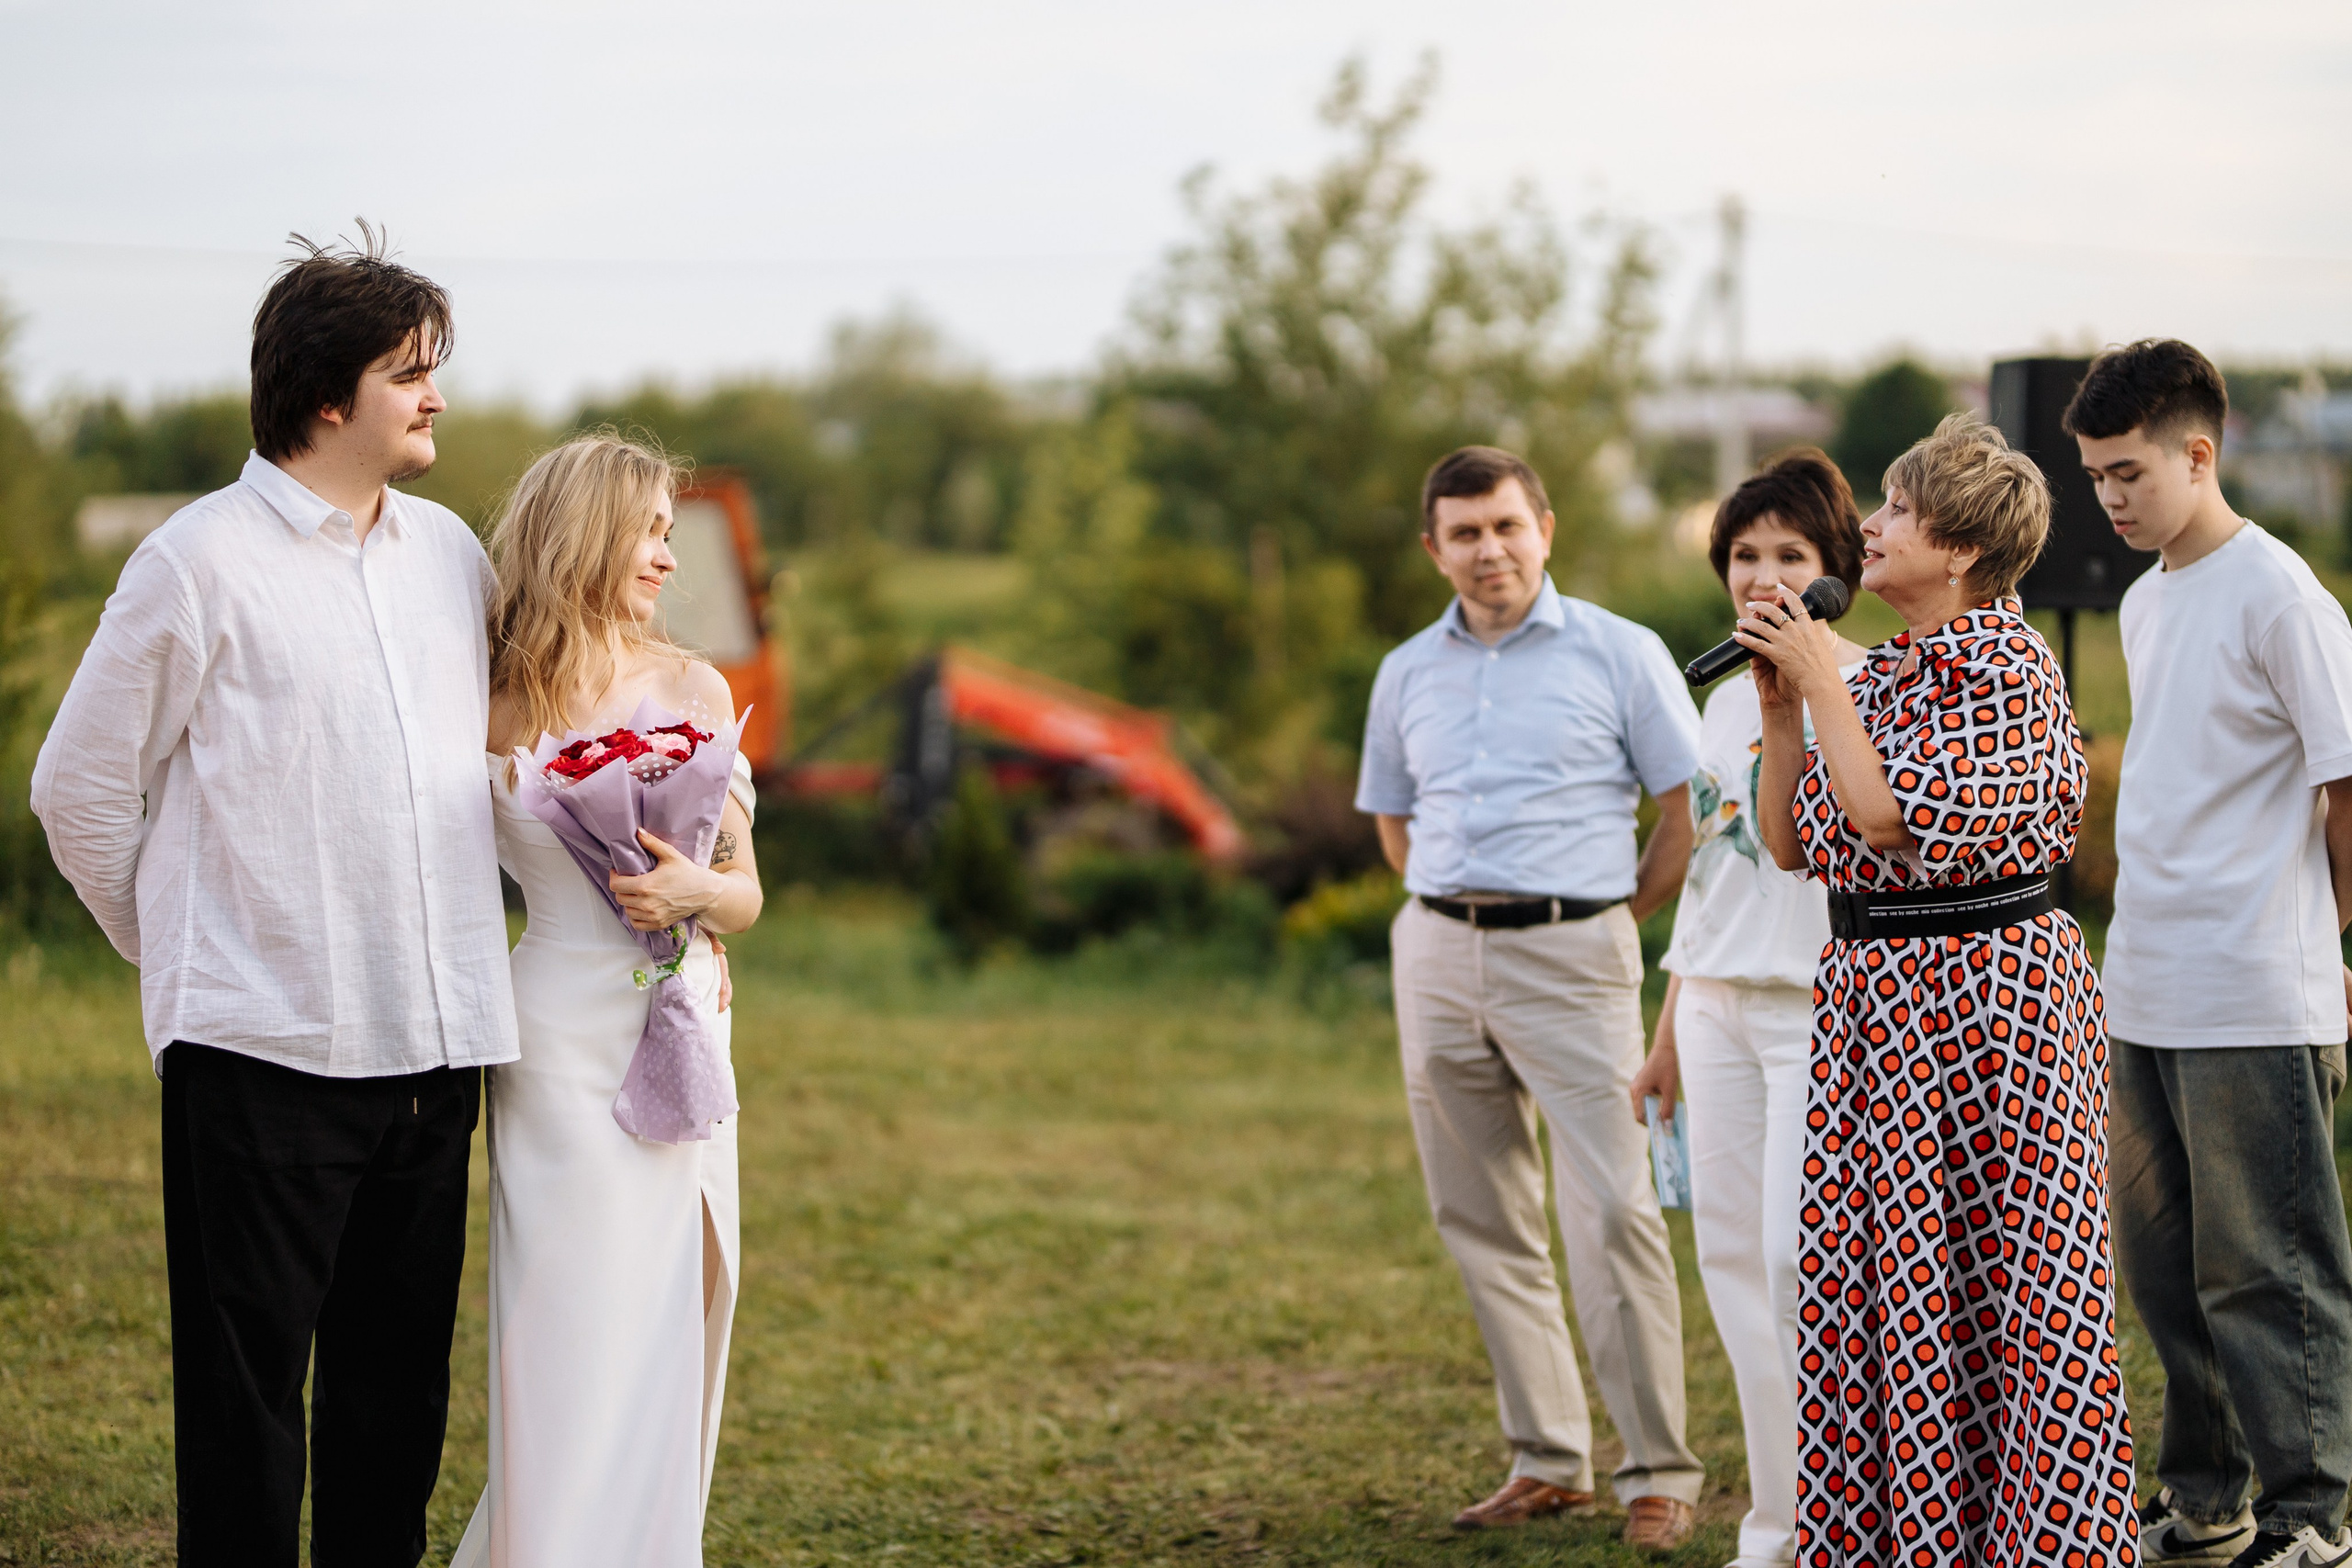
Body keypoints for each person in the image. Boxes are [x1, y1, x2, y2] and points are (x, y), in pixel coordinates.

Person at [29, 231, 515, 1566]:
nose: (434, 396)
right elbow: (76, 793)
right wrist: (193, 960)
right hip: (259, 1059)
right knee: (247, 1421)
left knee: (395, 1407)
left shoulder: (453, 556)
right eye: (410, 372)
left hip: (435, 1049)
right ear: (324, 396)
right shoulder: (194, 564)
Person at [1736, 413, 2138, 1568]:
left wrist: (1820, 678)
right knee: (1881, 1282)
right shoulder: (1892, 673)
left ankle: (2033, 1543)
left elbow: (1887, 818)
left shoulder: (2013, 671)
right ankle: (1902, 1538)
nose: (1868, 526)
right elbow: (1793, 844)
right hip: (1878, 1006)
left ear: (1959, 549)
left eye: (1897, 511)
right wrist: (1781, 711)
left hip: (1987, 1009)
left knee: (2003, 1280)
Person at [1357, 445, 1707, 1553]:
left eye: (1505, 525)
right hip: (1437, 952)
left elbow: (1685, 812)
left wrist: (1614, 916)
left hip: (1574, 953)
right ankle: (1547, 1460)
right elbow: (1393, 818)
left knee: (1611, 1212)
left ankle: (1658, 1470)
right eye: (1463, 532)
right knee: (1479, 1215)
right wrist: (1445, 913)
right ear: (1434, 550)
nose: (1487, 549)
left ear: (1543, 528)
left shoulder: (1620, 652)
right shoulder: (1407, 669)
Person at [452, 434, 763, 1567]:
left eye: (671, 536)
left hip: (677, 1027)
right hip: (554, 1042)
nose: (667, 559)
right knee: (568, 1324)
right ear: (584, 533)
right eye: (650, 531)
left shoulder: (696, 687)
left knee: (674, 1304)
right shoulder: (484, 704)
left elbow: (746, 894)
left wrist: (698, 892)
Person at [2074, 340, 2352, 1568]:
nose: (2110, 497)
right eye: (2092, 477)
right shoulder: (2144, 597)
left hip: (2255, 987)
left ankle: (2314, 1518)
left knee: (2269, 1272)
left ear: (2201, 451)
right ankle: (2205, 1498)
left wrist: (2339, 951)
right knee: (2172, 1271)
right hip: (2145, 982)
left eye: (2128, 471)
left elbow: (2347, 788)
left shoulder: (2283, 593)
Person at [1628, 449, 1870, 1568]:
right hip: (1716, 1004)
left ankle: (1844, 1520)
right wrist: (1668, 1031)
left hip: (1819, 1012)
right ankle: (1775, 1528)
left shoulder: (1863, 687)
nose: (1761, 577)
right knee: (1729, 1266)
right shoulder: (1722, 700)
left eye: (1789, 556)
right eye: (1743, 555)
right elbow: (1716, 880)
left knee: (1794, 1269)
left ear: (1834, 573)